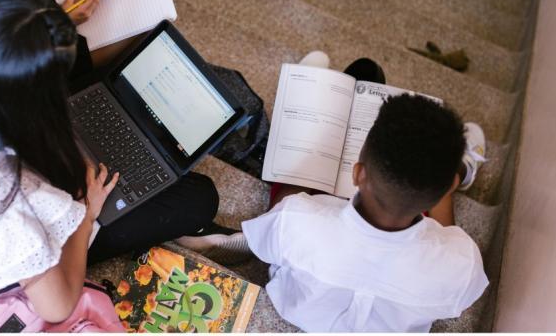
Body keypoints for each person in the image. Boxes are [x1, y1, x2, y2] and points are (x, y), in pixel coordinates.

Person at [0, 0, 219, 321]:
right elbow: (57, 307)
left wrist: (44, 29)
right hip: (1, 254)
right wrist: (86, 212)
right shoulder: (8, 207)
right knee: (199, 197)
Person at [181, 52, 489, 331]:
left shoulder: (298, 219)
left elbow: (295, 218)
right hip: (392, 277)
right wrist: (443, 186)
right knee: (436, 231)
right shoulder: (462, 266)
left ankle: (309, 107)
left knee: (292, 191)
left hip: (298, 304)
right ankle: (463, 169)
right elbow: (455, 274)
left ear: (358, 172)